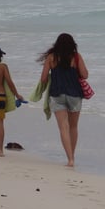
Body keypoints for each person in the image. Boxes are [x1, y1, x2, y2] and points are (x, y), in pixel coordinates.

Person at [37, 33, 89, 167]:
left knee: (63, 128)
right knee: (73, 127)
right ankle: (73, 156)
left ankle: (70, 159)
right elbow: (85, 75)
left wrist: (52, 75)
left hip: (57, 94)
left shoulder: (51, 57)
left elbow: (43, 79)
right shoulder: (76, 57)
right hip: (75, 95)